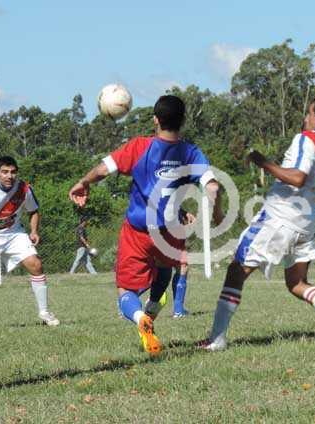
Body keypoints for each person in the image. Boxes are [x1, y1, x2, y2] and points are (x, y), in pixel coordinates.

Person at [199, 95, 315, 351]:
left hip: (280, 216)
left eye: (309, 113)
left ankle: (216, 339)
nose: (305, 118)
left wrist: (261, 161)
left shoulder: (307, 138)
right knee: (296, 283)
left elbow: (297, 177)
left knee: (236, 271)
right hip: (307, 220)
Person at [68, 95, 222, 357]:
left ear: (155, 120)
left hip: (138, 231)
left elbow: (103, 169)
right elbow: (213, 187)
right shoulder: (190, 152)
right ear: (183, 120)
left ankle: (141, 317)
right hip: (170, 232)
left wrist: (84, 182)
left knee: (125, 290)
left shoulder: (140, 147)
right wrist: (216, 211)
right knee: (165, 270)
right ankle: (151, 311)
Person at [0, 156, 60, 332]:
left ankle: (45, 313)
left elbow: (34, 210)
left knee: (36, 265)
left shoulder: (24, 189)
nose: (9, 176)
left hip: (14, 234)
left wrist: (34, 231)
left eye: (13, 172)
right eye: (5, 172)